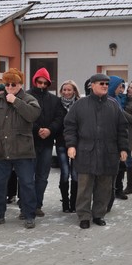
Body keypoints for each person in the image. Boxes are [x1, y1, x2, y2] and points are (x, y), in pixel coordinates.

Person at [63, 73, 129, 229]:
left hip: (108, 153)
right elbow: (70, 126)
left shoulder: (113, 105)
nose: (105, 86)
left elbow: (122, 129)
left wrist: (123, 148)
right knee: (84, 187)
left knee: (104, 187)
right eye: (101, 83)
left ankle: (99, 214)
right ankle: (84, 216)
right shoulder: (80, 105)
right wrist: (71, 145)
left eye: (106, 84)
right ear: (92, 85)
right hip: (86, 152)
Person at [0, 68, 41, 229]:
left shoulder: (28, 99)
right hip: (2, 150)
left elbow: (33, 115)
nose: (9, 87)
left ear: (20, 84)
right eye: (6, 84)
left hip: (23, 150)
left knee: (27, 184)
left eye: (13, 84)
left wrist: (16, 101)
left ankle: (29, 215)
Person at [27, 68, 66, 217]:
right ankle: (26, 206)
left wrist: (50, 130)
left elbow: (59, 118)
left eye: (45, 83)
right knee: (27, 177)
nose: (42, 85)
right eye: (39, 82)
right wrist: (37, 129)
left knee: (42, 177)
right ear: (35, 81)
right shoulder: (27, 97)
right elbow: (24, 117)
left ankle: (37, 205)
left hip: (47, 143)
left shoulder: (54, 100)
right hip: (30, 143)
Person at [55, 80, 81, 213]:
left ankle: (74, 203)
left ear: (74, 91)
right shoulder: (57, 104)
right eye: (64, 90)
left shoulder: (80, 104)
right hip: (61, 143)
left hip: (77, 144)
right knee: (65, 173)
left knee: (75, 174)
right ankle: (65, 203)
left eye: (69, 90)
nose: (66, 92)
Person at [107, 76, 129, 201]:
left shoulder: (117, 100)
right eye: (119, 87)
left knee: (121, 167)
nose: (121, 90)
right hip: (110, 141)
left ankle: (117, 190)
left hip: (118, 140)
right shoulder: (108, 100)